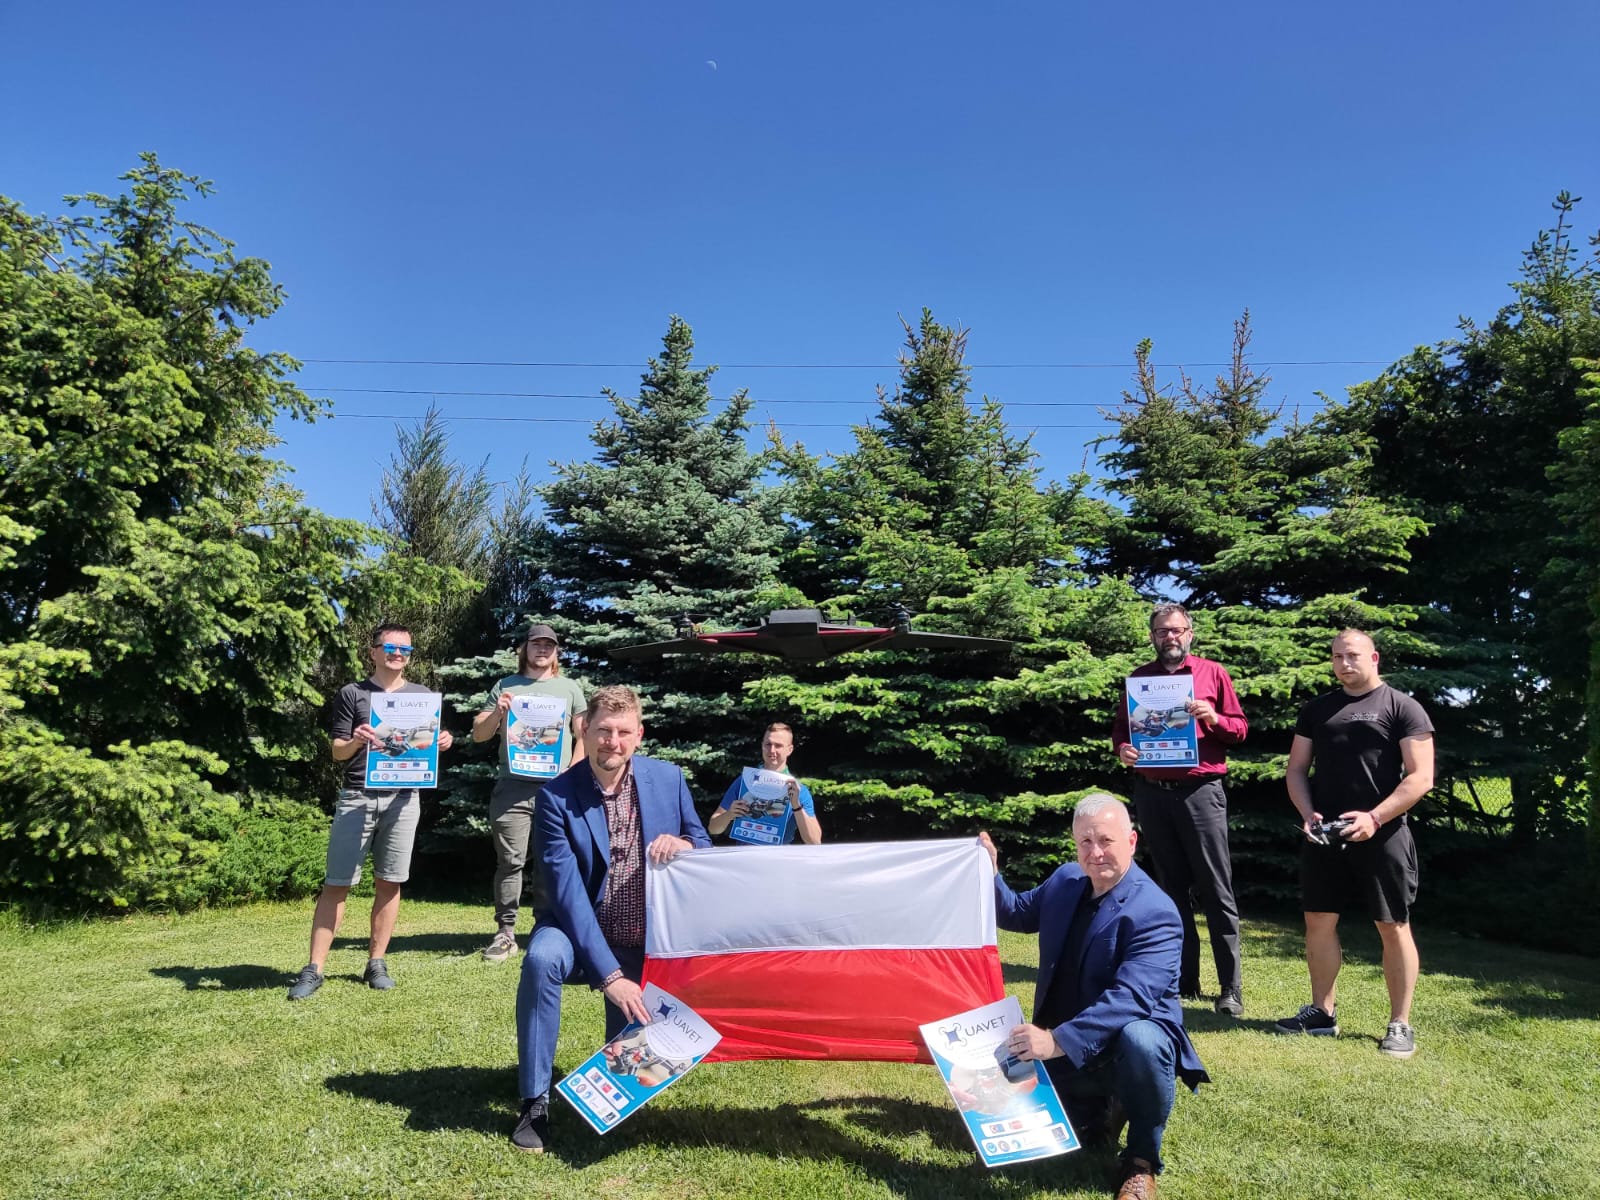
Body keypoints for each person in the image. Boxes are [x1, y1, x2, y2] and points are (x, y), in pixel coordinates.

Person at [510, 684, 711, 1153]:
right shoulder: (555, 797)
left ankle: (612, 1094)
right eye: (603, 731)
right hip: (574, 931)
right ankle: (534, 1101)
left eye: (623, 732)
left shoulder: (668, 779)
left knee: (625, 1072)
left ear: (639, 734)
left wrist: (685, 845)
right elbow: (567, 895)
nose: (612, 743)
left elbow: (702, 843)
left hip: (645, 936)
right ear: (584, 730)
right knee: (541, 960)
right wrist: (611, 976)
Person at [982, 794, 1208, 1200]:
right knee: (1062, 1130)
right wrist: (990, 872)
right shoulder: (1066, 881)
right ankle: (1101, 1110)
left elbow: (1130, 999)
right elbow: (1016, 912)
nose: (1095, 852)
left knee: (1143, 1039)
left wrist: (1055, 1041)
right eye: (1085, 842)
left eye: (1106, 840)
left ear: (1132, 841)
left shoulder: (1155, 911)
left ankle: (1140, 1163)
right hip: (1068, 1046)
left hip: (1122, 1047)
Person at [1275, 629, 1434, 1059]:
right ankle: (1321, 1014)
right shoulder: (1317, 710)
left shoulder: (1402, 707)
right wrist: (1308, 812)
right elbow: (1296, 770)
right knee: (1318, 921)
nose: (1344, 663)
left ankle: (1400, 1023)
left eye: (1353, 655)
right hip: (1325, 834)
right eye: (1337, 657)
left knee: (1393, 925)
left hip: (1384, 834)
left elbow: (1421, 777)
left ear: (1374, 658)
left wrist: (1374, 817)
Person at [287, 623, 453, 1001]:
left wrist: (442, 741)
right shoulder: (353, 693)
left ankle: (376, 963)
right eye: (391, 647)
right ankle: (314, 969)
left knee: (390, 882)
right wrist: (355, 741)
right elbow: (337, 751)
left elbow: (426, 744)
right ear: (374, 651)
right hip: (358, 796)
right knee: (337, 883)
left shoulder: (422, 697)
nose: (398, 654)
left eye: (405, 650)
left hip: (404, 798)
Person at [1111, 603, 1248, 1016]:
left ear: (1189, 633)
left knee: (1216, 889)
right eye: (1162, 631)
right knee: (1171, 893)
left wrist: (1213, 718)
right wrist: (1124, 750)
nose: (1169, 637)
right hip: (1153, 793)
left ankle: (1230, 988)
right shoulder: (1140, 679)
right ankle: (1185, 980)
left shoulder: (1213, 673)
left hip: (1201, 793)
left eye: (1176, 630)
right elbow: (1121, 732)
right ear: (1152, 637)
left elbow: (1240, 729)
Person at [471, 623, 588, 963]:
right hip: (513, 787)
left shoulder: (570, 688)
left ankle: (545, 929)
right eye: (536, 644)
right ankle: (505, 932)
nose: (542, 649)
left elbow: (584, 735)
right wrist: (498, 712)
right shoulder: (505, 686)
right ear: (524, 648)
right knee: (510, 861)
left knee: (551, 861)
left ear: (556, 652)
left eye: (549, 645)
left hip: (557, 790)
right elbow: (479, 734)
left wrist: (572, 770)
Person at [706, 722, 821, 844]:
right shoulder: (745, 781)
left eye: (778, 746)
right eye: (768, 744)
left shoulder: (798, 790)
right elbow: (713, 829)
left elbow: (814, 842)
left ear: (789, 749)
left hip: (779, 856)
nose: (772, 750)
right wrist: (729, 814)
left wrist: (796, 806)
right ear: (762, 746)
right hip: (744, 856)